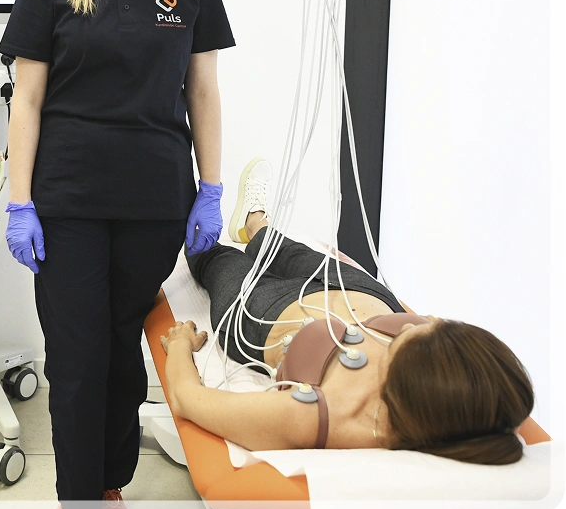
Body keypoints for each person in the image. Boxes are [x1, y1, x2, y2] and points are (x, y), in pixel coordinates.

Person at [0, 0, 235, 509]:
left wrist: (211, 188)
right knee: (76, 357)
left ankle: (109, 483)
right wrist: (20, 201)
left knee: (122, 352)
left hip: (154, 199)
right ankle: (78, 501)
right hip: (66, 198)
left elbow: (202, 91)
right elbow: (27, 98)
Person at [162, 159, 535, 466]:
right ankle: (254, 222)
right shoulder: (451, 383)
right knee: (282, 248)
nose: (430, 320)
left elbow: (186, 399)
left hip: (264, 314)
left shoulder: (321, 417)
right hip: (360, 291)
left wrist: (180, 345)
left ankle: (219, 228)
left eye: (419, 334)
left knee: (213, 257)